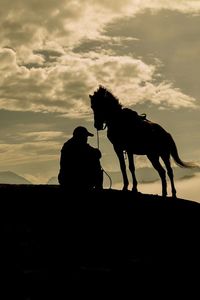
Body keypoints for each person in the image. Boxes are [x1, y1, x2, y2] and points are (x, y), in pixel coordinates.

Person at [58, 126, 103, 190]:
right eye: (86, 137)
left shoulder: (67, 145)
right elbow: (97, 154)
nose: (86, 139)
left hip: (65, 179)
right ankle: (98, 188)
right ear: (81, 137)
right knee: (95, 161)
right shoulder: (80, 146)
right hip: (77, 180)